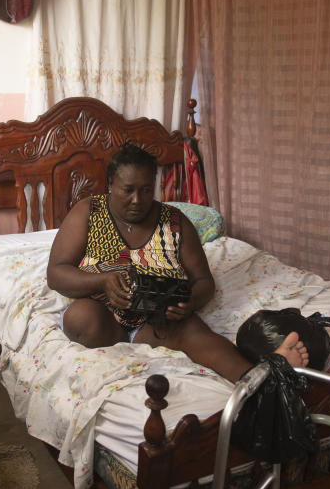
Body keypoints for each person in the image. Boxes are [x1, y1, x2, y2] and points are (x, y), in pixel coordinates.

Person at [46, 143, 309, 382]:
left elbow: (204, 282)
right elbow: (56, 274)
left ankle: (264, 382)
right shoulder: (88, 212)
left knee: (197, 335)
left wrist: (188, 303)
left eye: (146, 190)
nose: (137, 200)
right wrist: (102, 281)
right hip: (104, 323)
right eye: (128, 190)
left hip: (158, 323)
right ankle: (122, 360)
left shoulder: (175, 221)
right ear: (110, 184)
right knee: (80, 317)